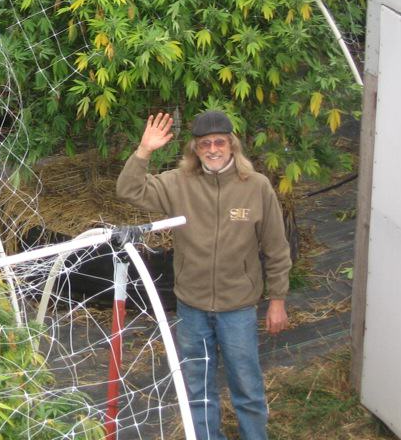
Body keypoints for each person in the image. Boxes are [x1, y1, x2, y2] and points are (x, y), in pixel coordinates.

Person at [115, 110, 291, 440]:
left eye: (219, 142)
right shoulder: (178, 183)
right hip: (192, 306)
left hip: (237, 307)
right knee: (198, 389)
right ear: (195, 149)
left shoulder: (256, 187)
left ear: (232, 146)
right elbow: (128, 190)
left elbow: (277, 249)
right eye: (205, 143)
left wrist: (277, 300)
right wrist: (144, 151)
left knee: (247, 388)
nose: (213, 149)